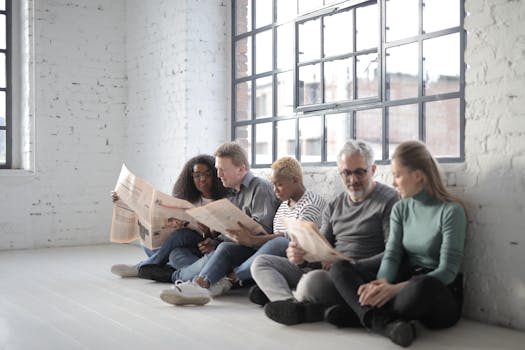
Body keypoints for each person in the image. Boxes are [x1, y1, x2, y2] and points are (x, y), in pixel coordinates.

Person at [329, 140, 468, 347]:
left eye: (397, 175)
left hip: (436, 291)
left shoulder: (451, 211)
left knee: (420, 285)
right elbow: (392, 254)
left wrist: (394, 290)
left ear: (418, 176)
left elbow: (447, 271)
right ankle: (382, 323)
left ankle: (356, 313)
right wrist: (382, 283)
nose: (393, 182)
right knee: (340, 268)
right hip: (406, 277)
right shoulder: (401, 208)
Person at [250, 140, 399, 326]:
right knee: (261, 263)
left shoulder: (389, 200)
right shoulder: (335, 204)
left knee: (311, 282)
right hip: (329, 271)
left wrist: (350, 264)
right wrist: (302, 255)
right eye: (346, 173)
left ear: (373, 170)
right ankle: (290, 303)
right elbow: (322, 248)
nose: (352, 180)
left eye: (359, 172)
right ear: (340, 173)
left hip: (358, 275)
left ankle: (298, 303)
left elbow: (393, 253)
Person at [158, 141, 281, 305]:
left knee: (223, 249)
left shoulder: (260, 188)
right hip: (233, 246)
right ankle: (207, 277)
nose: (218, 174)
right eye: (217, 169)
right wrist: (214, 240)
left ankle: (192, 283)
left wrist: (229, 241)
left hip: (253, 249)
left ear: (241, 169)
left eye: (222, 170)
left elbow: (264, 230)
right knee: (177, 254)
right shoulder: (234, 193)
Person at [110, 154, 229, 279]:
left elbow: (222, 238)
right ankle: (178, 270)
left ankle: (143, 267)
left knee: (182, 235)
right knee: (171, 253)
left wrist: (208, 233)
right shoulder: (186, 197)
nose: (202, 179)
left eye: (207, 174)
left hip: (202, 245)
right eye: (197, 175)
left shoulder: (224, 200)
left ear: (216, 175)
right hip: (182, 246)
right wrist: (123, 200)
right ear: (191, 178)